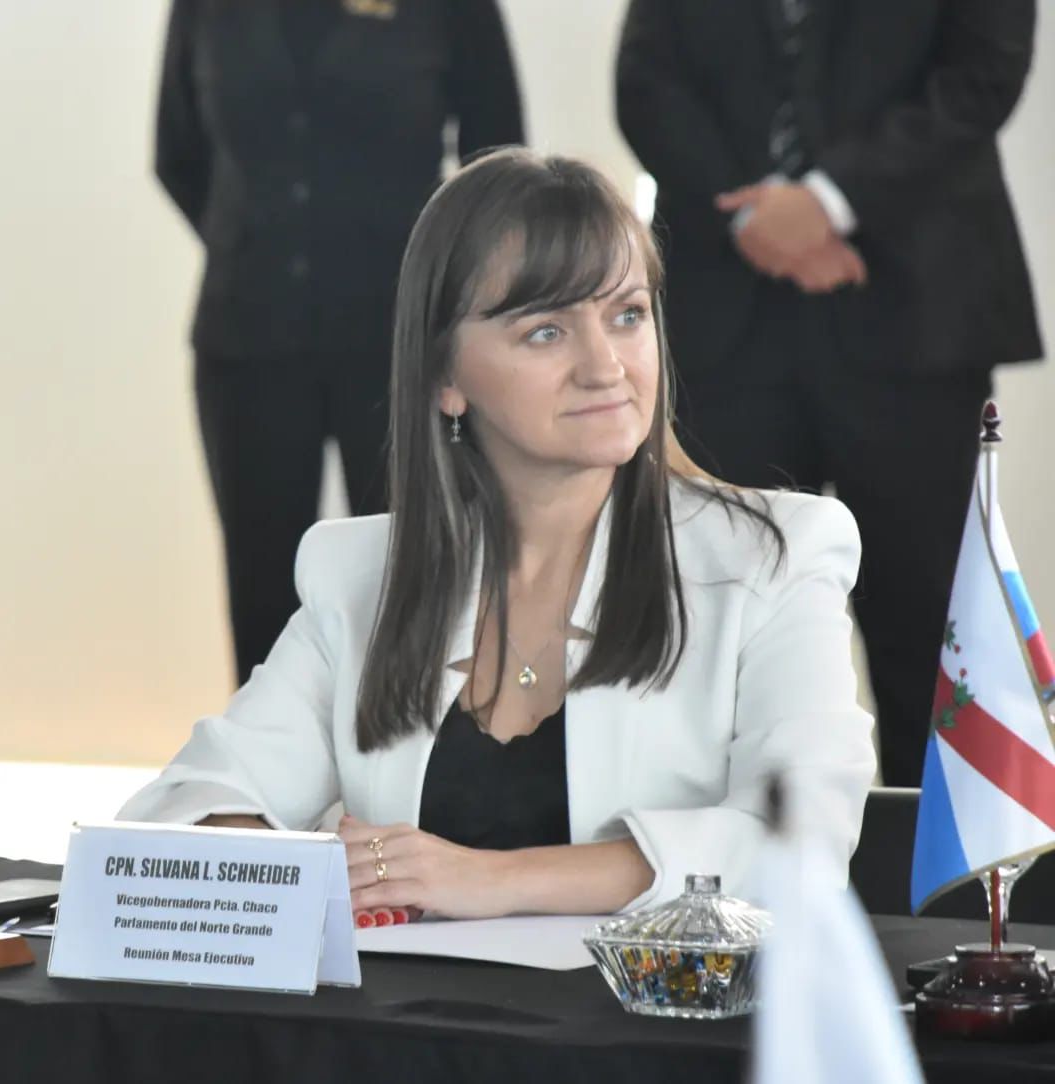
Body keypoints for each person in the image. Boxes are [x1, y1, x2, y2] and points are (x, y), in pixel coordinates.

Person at [120, 151, 875, 917]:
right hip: (407, 1032)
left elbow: (802, 844)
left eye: (627, 315)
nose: (605, 366)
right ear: (447, 379)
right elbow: (182, 812)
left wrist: (486, 880)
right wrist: (304, 877)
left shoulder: (777, 555)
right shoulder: (357, 573)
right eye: (546, 332)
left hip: (649, 1032)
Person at [615, 1, 1043, 786]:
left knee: (930, 630)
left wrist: (825, 201)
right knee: (718, 626)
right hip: (726, 321)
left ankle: (941, 894)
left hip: (914, 311)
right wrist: (753, 221)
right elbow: (645, 80)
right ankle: (720, 891)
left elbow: (983, 70)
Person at [155, 0, 525, 684]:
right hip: (248, 336)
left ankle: (410, 781)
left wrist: (441, 282)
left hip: (400, 343)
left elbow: (496, 157)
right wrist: (255, 241)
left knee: (413, 579)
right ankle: (270, 784)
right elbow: (176, 153)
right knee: (261, 586)